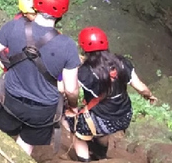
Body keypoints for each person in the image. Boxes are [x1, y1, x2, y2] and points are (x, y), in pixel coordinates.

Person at [0, 0, 81, 156]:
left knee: (3, 134)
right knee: (25, 144)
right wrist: (73, 107)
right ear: (62, 12)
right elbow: (71, 89)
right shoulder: (67, 45)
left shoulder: (14, 27)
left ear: (36, 4)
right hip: (42, 110)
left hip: (11, 100)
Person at [66, 27, 157, 162]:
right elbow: (141, 88)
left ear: (83, 47)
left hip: (102, 120)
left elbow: (71, 91)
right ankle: (101, 154)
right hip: (125, 116)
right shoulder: (122, 63)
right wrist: (149, 96)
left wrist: (72, 108)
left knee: (76, 131)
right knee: (102, 132)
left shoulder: (85, 72)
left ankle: (86, 160)